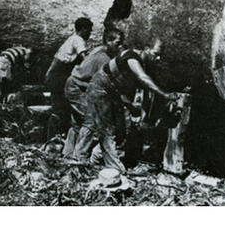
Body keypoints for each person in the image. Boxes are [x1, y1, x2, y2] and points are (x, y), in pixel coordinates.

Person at [74, 39, 180, 172]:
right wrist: (165, 94)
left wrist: (146, 116)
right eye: (155, 54)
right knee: (107, 129)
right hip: (100, 88)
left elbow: (149, 90)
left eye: (160, 56)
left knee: (121, 132)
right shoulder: (131, 56)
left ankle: (95, 158)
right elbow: (142, 78)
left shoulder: (148, 64)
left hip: (115, 92)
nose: (158, 58)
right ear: (146, 49)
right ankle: (110, 166)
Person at [64, 28, 125, 159]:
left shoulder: (99, 50)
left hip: (75, 83)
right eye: (117, 43)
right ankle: (80, 157)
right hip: (77, 88)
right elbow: (106, 83)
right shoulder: (103, 59)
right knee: (92, 119)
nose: (119, 47)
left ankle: (68, 153)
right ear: (108, 41)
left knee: (77, 123)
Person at [45, 17, 93, 144]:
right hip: (59, 76)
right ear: (83, 29)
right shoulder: (78, 40)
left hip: (56, 75)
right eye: (89, 30)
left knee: (62, 108)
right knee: (60, 109)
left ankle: (60, 139)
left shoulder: (72, 39)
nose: (90, 33)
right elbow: (84, 58)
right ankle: (54, 140)